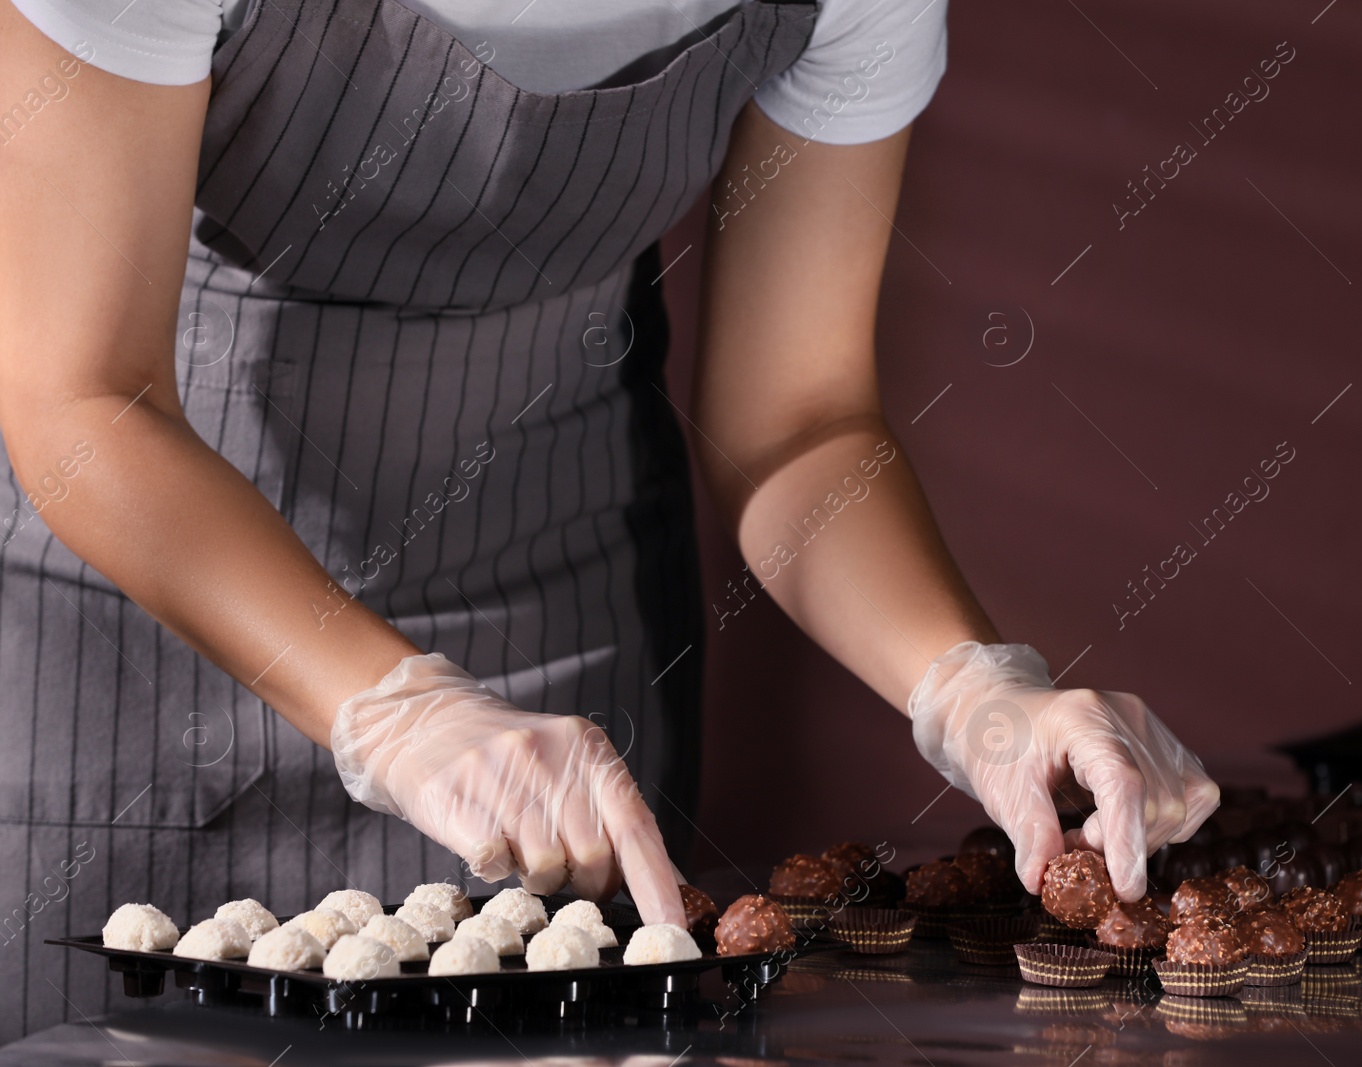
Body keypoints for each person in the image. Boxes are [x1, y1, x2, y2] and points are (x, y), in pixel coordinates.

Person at [0, 0, 1218, 1039]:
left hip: (558, 656)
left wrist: (970, 687)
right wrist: (398, 706)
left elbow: (794, 421)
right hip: (130, 666)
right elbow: (82, 395)